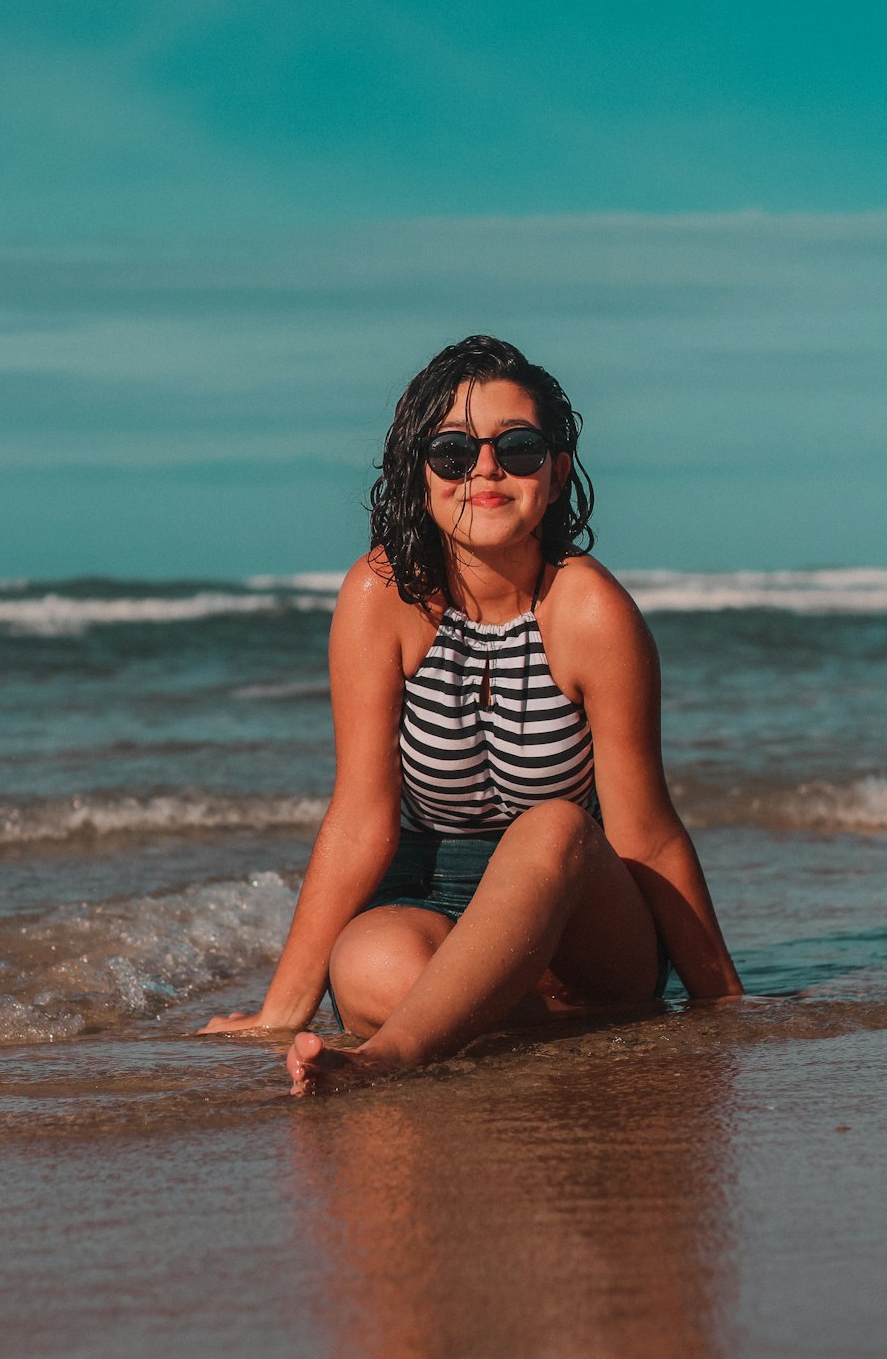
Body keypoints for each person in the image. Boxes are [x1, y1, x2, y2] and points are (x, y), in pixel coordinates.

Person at [196, 335, 743, 1093]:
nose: (484, 470)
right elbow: (359, 821)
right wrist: (280, 1014)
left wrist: (724, 1002)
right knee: (364, 964)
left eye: (516, 448)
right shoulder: (377, 596)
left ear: (554, 474)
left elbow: (645, 832)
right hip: (437, 901)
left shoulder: (590, 611)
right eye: (452, 452)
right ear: (420, 475)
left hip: (583, 924)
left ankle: (393, 1058)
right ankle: (516, 1029)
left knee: (551, 825)